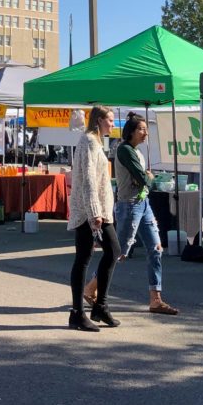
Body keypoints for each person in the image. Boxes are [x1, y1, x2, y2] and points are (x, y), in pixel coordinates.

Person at [114, 113, 179, 316]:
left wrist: (145, 178)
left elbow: (142, 179)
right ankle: (92, 287)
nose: (145, 133)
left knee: (156, 249)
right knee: (119, 252)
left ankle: (155, 299)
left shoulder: (137, 151)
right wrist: (147, 178)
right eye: (141, 129)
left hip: (143, 203)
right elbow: (142, 178)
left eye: (146, 129)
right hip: (129, 205)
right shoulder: (124, 149)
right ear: (131, 131)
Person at [68, 106, 119, 332]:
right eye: (110, 120)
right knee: (86, 257)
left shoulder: (96, 141)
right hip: (89, 211)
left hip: (99, 210)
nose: (113, 124)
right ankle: (78, 313)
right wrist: (94, 211)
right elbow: (88, 178)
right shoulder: (89, 141)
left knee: (110, 252)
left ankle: (100, 306)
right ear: (98, 120)